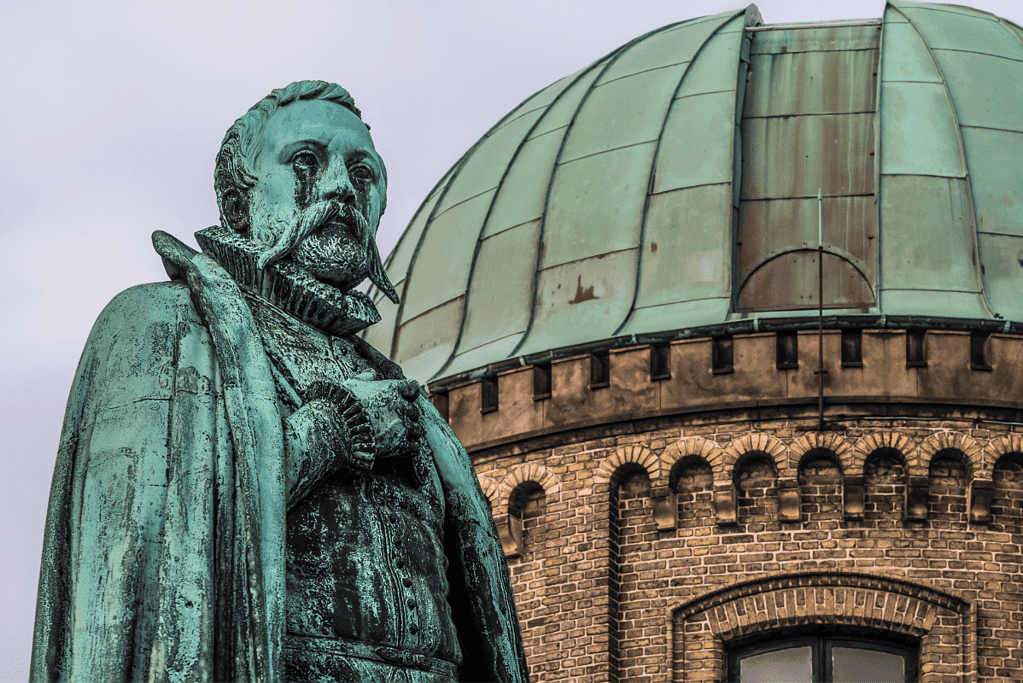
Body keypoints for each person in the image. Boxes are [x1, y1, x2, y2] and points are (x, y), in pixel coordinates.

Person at [31, 80, 529, 683]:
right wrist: (332, 429)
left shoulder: (402, 392)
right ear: (240, 201)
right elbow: (160, 537)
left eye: (363, 173)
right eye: (306, 163)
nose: (342, 187)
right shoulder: (160, 328)